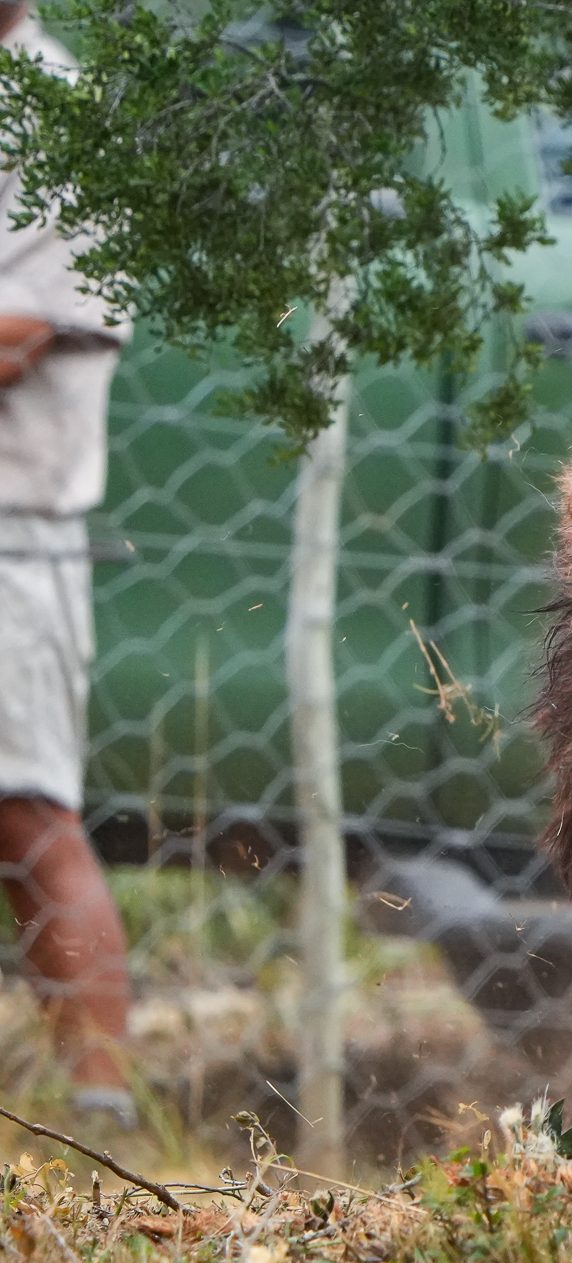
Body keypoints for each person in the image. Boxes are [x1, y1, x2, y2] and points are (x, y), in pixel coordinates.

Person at [0, 1, 135, 1124]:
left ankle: (105, 1113)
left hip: (13, 527)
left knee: (29, 813)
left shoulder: (59, 117)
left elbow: (19, 331)